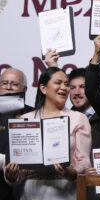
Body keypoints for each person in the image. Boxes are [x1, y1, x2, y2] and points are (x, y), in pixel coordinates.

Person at [4, 67, 92, 200]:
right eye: (58, 83)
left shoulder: (78, 118)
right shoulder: (24, 120)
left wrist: (71, 172)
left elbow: (84, 161)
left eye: (66, 84)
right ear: (43, 88)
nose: (64, 87)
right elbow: (19, 172)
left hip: (66, 190)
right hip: (32, 191)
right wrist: (11, 173)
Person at [45, 50, 100, 149]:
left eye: (82, 87)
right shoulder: (64, 118)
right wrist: (52, 66)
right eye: (72, 88)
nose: (76, 93)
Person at [0, 68, 34, 200]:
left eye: (14, 84)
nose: (8, 88)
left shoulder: (34, 114)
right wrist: (5, 162)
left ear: (25, 89)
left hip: (25, 185)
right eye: (4, 83)